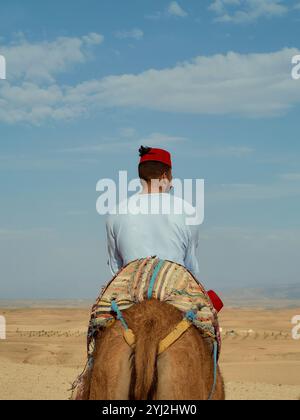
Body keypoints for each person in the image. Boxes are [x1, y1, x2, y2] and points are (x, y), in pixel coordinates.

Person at [106, 146, 201, 278]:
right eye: (171, 177)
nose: (172, 184)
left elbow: (115, 268)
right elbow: (190, 269)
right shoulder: (187, 210)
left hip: (131, 293)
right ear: (164, 176)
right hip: (174, 292)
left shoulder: (115, 213)